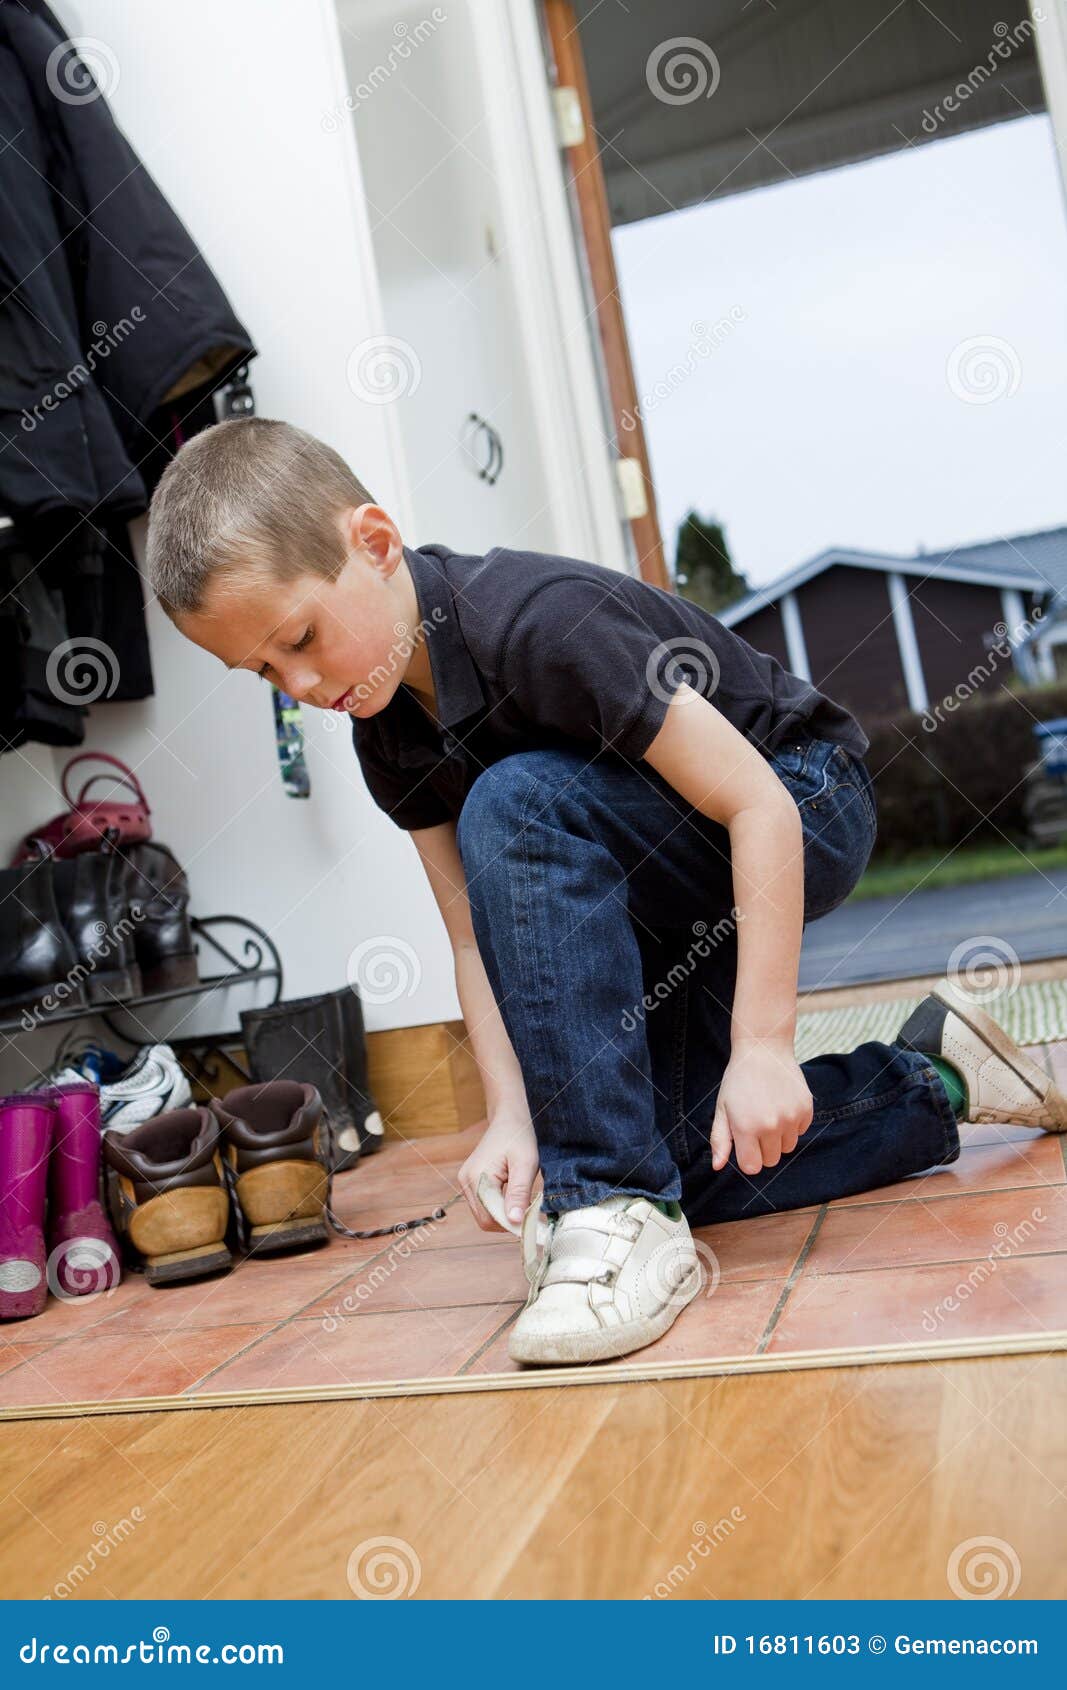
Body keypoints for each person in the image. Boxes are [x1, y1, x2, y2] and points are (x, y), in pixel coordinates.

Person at [146, 417, 1067, 1366]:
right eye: (262, 671)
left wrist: (762, 1047)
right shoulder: (383, 729)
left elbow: (758, 805)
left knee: (514, 803)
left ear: (374, 544)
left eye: (300, 638)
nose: (298, 683)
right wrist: (509, 1115)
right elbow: (470, 937)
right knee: (686, 1156)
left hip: (801, 798)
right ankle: (941, 1074)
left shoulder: (539, 623)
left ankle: (610, 1206)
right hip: (652, 869)